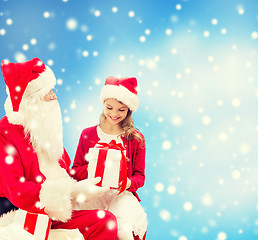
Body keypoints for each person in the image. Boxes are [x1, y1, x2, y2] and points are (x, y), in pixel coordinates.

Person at [0, 58, 118, 240]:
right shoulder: (5, 134)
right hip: (28, 213)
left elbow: (65, 172)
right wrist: (73, 192)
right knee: (103, 221)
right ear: (32, 101)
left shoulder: (42, 126)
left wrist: (96, 170)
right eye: (48, 92)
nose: (54, 96)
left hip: (57, 210)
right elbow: (17, 191)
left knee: (110, 215)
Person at [72, 76, 147, 240]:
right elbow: (75, 172)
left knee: (124, 231)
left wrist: (127, 182)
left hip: (120, 195)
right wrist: (94, 167)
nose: (114, 114)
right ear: (103, 104)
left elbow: (140, 177)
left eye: (121, 110)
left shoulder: (136, 139)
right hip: (93, 194)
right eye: (109, 107)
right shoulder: (87, 134)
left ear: (129, 110)